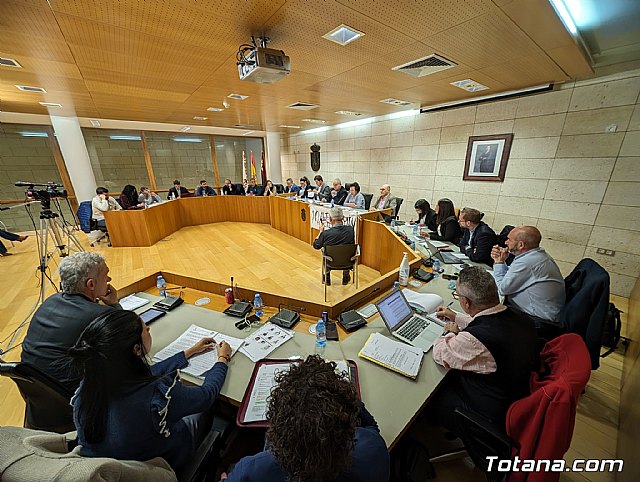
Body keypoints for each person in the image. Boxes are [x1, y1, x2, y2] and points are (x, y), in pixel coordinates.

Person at [67, 310, 231, 480]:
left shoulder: (88, 388)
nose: (149, 329)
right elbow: (206, 395)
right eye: (145, 329)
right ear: (137, 349)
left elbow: (142, 376)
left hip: (117, 467)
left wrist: (187, 353)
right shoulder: (156, 397)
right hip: (166, 464)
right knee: (208, 406)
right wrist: (222, 359)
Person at [222, 356, 389, 482]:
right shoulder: (374, 450)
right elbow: (370, 425)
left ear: (280, 430)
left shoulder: (253, 470)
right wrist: (342, 396)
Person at [431, 266, 538, 433]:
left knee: (431, 392)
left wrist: (449, 331)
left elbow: (440, 353)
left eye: (458, 296)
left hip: (488, 412)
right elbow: (488, 321)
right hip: (516, 393)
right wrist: (456, 317)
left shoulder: (476, 340)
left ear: (466, 302)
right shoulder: (520, 316)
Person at [21, 252, 122, 391]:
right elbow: (138, 339)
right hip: (77, 396)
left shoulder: (50, 301)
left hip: (36, 391)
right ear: (91, 284)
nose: (109, 279)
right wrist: (114, 304)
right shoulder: (100, 315)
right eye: (106, 275)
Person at [491, 226, 565, 325]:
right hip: (537, 313)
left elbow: (502, 289)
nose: (505, 242)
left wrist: (498, 262)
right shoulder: (535, 255)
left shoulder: (527, 262)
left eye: (509, 239)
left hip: (537, 320)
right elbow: (510, 275)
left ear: (521, 245)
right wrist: (502, 261)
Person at [313, 206, 355, 286]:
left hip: (331, 263)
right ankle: (346, 277)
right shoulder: (351, 230)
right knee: (345, 250)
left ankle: (327, 278)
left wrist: (320, 232)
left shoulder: (326, 234)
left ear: (331, 219)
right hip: (348, 262)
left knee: (324, 250)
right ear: (342, 218)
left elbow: (316, 246)